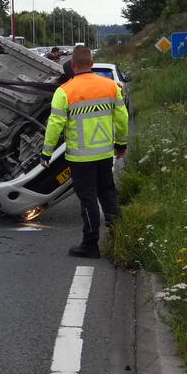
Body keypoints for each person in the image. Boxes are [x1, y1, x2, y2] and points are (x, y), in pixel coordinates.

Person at [41, 45, 129, 258]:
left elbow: (55, 125)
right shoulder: (111, 86)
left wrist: (47, 152)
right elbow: (122, 118)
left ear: (72, 65)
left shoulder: (64, 91)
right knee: (108, 192)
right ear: (92, 63)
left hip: (80, 157)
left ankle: (90, 244)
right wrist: (121, 144)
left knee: (88, 198)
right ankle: (119, 236)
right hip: (104, 154)